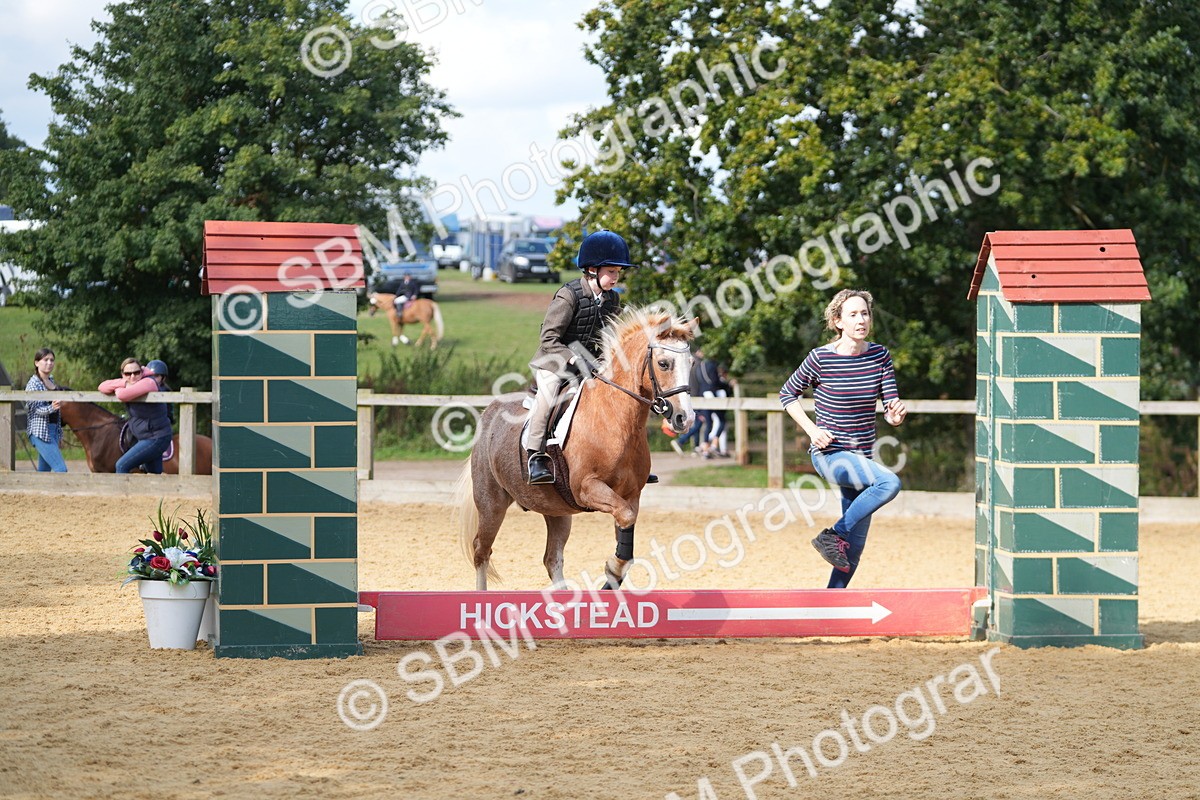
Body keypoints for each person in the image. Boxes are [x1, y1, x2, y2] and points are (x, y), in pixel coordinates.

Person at [779, 289, 907, 588]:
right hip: (831, 454)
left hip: (863, 458)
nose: (861, 319)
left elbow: (890, 407)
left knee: (851, 553)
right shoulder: (820, 358)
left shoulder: (879, 355)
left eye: (865, 313)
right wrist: (812, 430)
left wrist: (895, 416)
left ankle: (830, 606)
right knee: (890, 482)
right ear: (838, 321)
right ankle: (833, 534)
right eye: (853, 314)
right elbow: (787, 394)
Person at [526, 230, 635, 484]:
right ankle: (536, 456)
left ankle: (628, 459)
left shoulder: (612, 298)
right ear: (592, 270)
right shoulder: (569, 295)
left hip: (591, 363)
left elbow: (609, 335)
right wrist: (574, 359)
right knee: (548, 395)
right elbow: (548, 338)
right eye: (611, 272)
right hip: (554, 361)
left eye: (618, 272)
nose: (615, 277)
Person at [98, 358, 174, 474]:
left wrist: (120, 387)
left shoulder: (149, 382)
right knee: (154, 473)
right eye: (128, 373)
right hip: (147, 435)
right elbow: (102, 386)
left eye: (136, 372)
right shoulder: (130, 382)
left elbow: (122, 395)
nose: (132, 376)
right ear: (122, 374)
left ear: (142, 372)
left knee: (121, 465)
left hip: (156, 437)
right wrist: (124, 383)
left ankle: (122, 492)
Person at [24, 347, 67, 472]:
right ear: (36, 363)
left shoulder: (51, 380)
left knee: (44, 473)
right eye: (45, 360)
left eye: (52, 360)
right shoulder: (33, 383)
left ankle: (36, 492)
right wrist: (51, 407)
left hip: (53, 431)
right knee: (61, 469)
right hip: (40, 432)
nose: (49, 363)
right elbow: (34, 408)